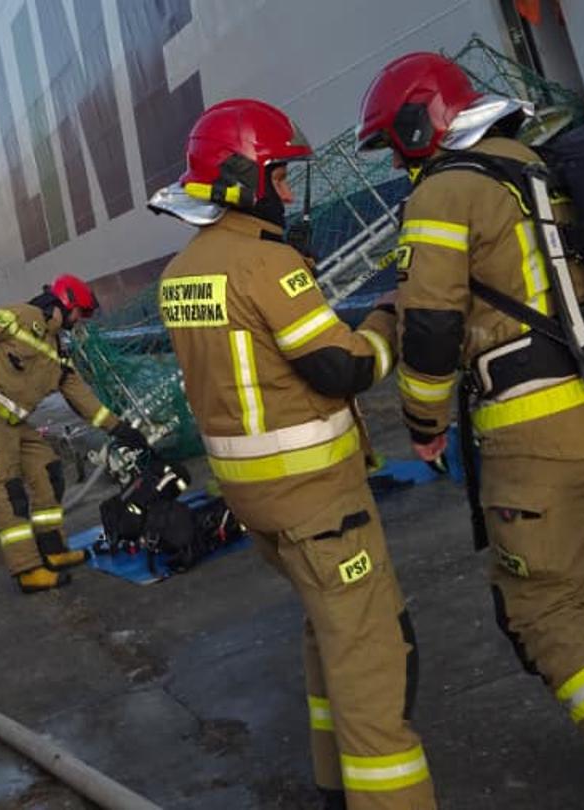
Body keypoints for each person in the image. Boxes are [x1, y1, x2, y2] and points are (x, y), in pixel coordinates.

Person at [358, 52, 584, 810]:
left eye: (396, 143)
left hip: (535, 438)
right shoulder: (536, 164)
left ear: (420, 124)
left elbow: (429, 328)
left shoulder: (444, 192)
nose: (397, 159)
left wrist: (422, 422)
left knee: (545, 608)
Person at [154, 98, 432, 810]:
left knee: (327, 633)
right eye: (279, 178)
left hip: (259, 505)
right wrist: (388, 316)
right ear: (244, 178)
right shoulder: (267, 266)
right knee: (371, 659)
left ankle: (332, 783)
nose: (287, 193)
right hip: (319, 502)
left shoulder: (182, 274)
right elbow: (342, 369)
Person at [0, 275, 146, 593]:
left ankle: (52, 550)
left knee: (48, 470)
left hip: (15, 422)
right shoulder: (21, 316)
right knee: (9, 491)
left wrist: (119, 429)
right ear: (67, 303)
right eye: (80, 313)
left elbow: (81, 397)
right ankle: (27, 569)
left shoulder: (56, 352)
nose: (80, 321)